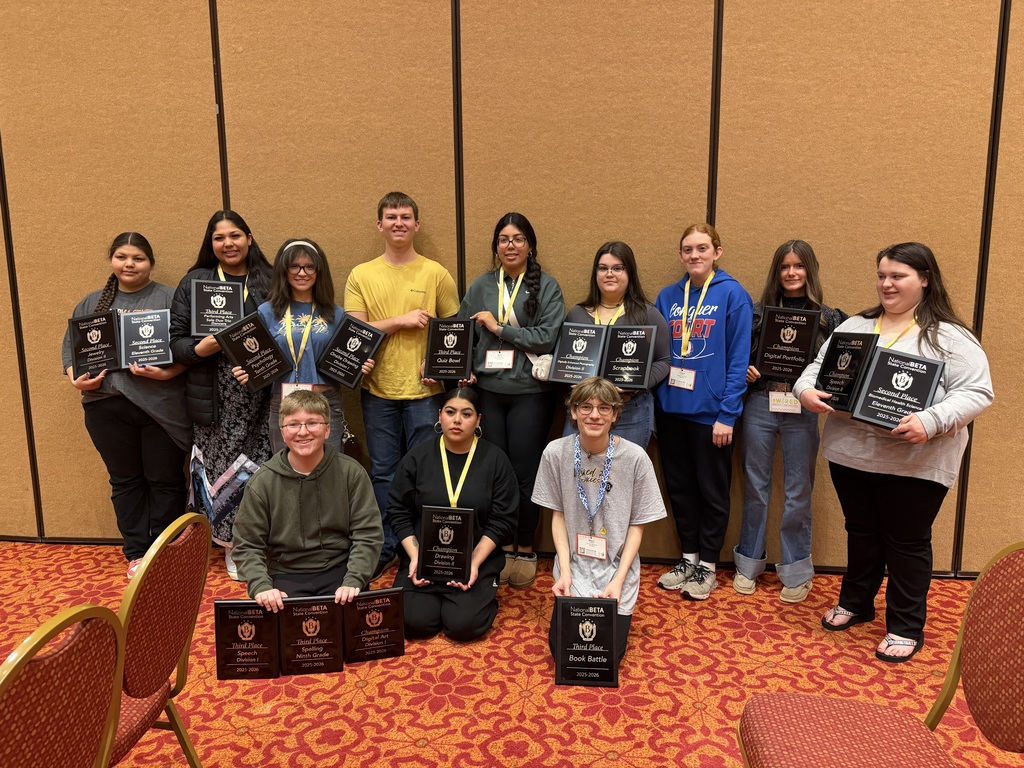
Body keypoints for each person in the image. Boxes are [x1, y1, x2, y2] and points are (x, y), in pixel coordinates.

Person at [795, 242, 993, 662]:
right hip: (851, 455)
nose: (887, 284)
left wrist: (932, 420)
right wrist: (806, 390)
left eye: (898, 276)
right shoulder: (855, 326)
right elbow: (816, 367)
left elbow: (977, 392)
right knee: (861, 532)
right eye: (882, 275)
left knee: (906, 542)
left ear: (924, 279)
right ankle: (857, 603)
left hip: (916, 462)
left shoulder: (949, 336)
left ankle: (905, 625)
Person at [62, 232, 191, 578]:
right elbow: (70, 355)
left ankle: (164, 550)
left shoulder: (171, 297)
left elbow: (189, 351)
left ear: (150, 263)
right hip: (106, 408)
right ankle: (136, 552)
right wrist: (77, 379)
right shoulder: (91, 303)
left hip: (161, 407)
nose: (129, 264)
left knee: (165, 480)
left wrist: (168, 373)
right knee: (125, 481)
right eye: (122, 257)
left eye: (138, 258)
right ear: (112, 261)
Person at [344, 192, 460, 576]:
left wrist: (442, 368)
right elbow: (353, 332)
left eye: (406, 217)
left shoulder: (436, 273)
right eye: (391, 217)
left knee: (427, 474)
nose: (398, 222)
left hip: (426, 394)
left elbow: (456, 335)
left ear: (416, 225)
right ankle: (387, 545)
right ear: (380, 224)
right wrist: (400, 321)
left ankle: (424, 547)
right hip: (378, 392)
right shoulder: (361, 274)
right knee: (383, 473)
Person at [733, 240, 848, 603]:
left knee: (799, 491)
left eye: (799, 266)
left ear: (809, 270)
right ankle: (748, 564)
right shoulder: (756, 313)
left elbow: (838, 368)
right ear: (776, 271)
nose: (792, 273)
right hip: (761, 402)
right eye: (785, 266)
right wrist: (748, 371)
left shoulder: (829, 318)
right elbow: (739, 358)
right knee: (756, 487)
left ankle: (796, 570)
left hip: (801, 409)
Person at [457, 212, 564, 589]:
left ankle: (526, 547)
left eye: (518, 238)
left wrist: (499, 328)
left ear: (530, 245)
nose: (510, 245)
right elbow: (463, 333)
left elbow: (549, 338)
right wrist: (458, 365)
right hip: (489, 392)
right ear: (495, 246)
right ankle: (499, 546)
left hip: (529, 395)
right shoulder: (482, 285)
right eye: (503, 239)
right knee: (494, 475)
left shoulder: (547, 287)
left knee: (524, 474)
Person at [170, 210, 274, 579]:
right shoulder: (194, 282)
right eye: (219, 237)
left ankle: (260, 542)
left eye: (235, 235)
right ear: (210, 244)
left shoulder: (270, 279)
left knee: (262, 471)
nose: (228, 243)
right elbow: (176, 344)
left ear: (249, 238)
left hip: (263, 395)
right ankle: (232, 547)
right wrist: (209, 345)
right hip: (213, 396)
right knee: (221, 474)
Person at [534, 377, 666, 661]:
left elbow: (637, 525)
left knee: (606, 657)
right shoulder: (555, 453)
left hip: (616, 569)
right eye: (586, 407)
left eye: (604, 408)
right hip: (575, 567)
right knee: (564, 654)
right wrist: (565, 572)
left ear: (615, 414)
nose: (594, 415)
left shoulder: (635, 458)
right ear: (573, 412)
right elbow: (557, 516)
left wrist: (619, 581)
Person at [654, 223, 753, 600]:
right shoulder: (667, 297)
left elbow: (738, 358)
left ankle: (708, 565)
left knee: (712, 491)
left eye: (702, 248)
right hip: (671, 410)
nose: (694, 255)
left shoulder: (733, 295)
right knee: (679, 488)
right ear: (680, 255)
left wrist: (728, 414)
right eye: (687, 249)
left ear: (717, 252)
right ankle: (688, 557)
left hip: (711, 414)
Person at [387, 387, 518, 641]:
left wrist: (474, 562)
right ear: (439, 415)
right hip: (423, 560)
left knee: (463, 627)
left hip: (474, 559)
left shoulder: (495, 460)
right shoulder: (417, 458)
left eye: (466, 414)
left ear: (478, 419)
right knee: (414, 623)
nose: (457, 420)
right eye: (450, 412)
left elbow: (503, 520)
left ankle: (480, 595)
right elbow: (398, 511)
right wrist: (415, 557)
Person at [231, 390, 383, 610]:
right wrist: (261, 586)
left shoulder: (352, 472)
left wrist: (355, 579)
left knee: (349, 637)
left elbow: (368, 533)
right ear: (282, 432)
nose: (303, 432)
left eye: (312, 423)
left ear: (328, 429)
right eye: (293, 425)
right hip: (285, 573)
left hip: (340, 568)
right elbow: (246, 544)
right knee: (289, 640)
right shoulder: (262, 482)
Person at [231, 238, 374, 453]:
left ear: (319, 271)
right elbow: (255, 358)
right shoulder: (267, 312)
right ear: (283, 271)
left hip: (325, 403)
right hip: (284, 405)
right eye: (294, 267)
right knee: (286, 475)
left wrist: (360, 366)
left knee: (328, 474)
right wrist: (246, 372)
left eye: (309, 267)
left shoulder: (336, 314)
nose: (302, 273)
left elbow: (347, 359)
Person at [563, 241, 670, 448]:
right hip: (583, 409)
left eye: (618, 268)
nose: (609, 274)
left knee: (624, 475)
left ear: (629, 273)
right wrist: (568, 377)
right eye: (603, 268)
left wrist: (638, 382)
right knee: (578, 473)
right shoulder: (577, 314)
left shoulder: (647, 314)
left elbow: (665, 360)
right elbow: (567, 361)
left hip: (630, 410)